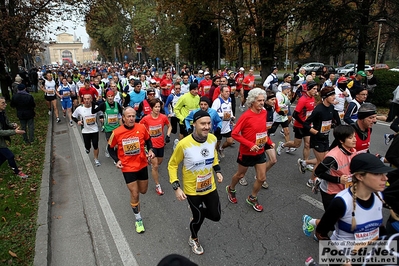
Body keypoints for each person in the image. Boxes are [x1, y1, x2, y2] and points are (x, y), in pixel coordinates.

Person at [314, 153, 394, 262]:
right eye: (378, 174)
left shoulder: (379, 196)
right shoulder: (341, 202)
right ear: (360, 176)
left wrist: (385, 249)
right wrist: (342, 262)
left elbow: (378, 226)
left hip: (369, 257)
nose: (385, 178)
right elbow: (320, 234)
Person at [168, 110, 223, 255]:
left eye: (208, 123)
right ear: (194, 124)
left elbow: (214, 156)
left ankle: (196, 212)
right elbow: (172, 165)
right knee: (197, 218)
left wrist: (217, 170)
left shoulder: (212, 139)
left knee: (216, 216)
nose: (206, 127)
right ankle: (194, 238)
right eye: (202, 123)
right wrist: (176, 187)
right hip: (192, 189)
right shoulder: (183, 144)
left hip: (210, 185)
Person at [302, 125, 357, 237]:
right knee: (334, 221)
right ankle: (313, 225)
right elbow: (318, 172)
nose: (355, 140)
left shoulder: (352, 150)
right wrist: (338, 179)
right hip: (330, 192)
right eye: (351, 138)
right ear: (341, 140)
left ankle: (322, 231)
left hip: (344, 190)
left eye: (354, 136)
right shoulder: (333, 156)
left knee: (342, 218)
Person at [226, 88, 274, 212]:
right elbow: (235, 133)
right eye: (259, 100)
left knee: (262, 178)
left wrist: (269, 142)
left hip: (260, 151)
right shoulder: (246, 116)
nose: (262, 103)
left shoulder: (263, 112)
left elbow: (263, 131)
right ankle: (231, 188)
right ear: (252, 101)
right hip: (246, 152)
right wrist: (249, 144)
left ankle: (253, 197)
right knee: (240, 174)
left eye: (263, 100)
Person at [108, 107, 155, 234]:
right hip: (127, 167)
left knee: (143, 191)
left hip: (142, 164)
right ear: (123, 118)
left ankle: (135, 198)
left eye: (133, 116)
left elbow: (148, 140)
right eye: (128, 116)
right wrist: (117, 160)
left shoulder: (141, 128)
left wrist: (150, 150)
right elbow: (110, 148)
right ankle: (138, 219)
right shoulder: (117, 132)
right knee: (135, 193)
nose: (131, 118)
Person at [302, 86, 341, 192]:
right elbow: (305, 124)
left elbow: (337, 122)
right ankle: (311, 180)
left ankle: (305, 163)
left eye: (334, 95)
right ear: (325, 97)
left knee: (325, 159)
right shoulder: (318, 110)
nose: (334, 97)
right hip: (317, 138)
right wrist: (316, 133)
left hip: (326, 137)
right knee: (321, 161)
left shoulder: (332, 108)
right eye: (332, 95)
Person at [276, 81, 319, 172]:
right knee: (297, 144)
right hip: (299, 125)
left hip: (307, 125)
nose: (316, 91)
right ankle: (282, 144)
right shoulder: (303, 99)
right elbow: (295, 114)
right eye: (314, 89)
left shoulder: (312, 98)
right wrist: (303, 123)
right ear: (309, 89)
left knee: (307, 144)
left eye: (316, 89)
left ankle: (305, 162)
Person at [140, 98, 172, 196]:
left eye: (159, 107)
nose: (158, 109)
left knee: (159, 162)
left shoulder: (163, 117)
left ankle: (150, 162)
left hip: (160, 144)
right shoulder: (146, 118)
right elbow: (139, 127)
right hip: (151, 145)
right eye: (156, 107)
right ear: (151, 108)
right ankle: (158, 186)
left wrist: (168, 136)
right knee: (156, 166)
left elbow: (169, 126)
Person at [0, 97, 29, 178]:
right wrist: (14, 132)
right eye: (3, 103)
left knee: (2, 157)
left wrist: (12, 125)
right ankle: (17, 172)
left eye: (5, 102)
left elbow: (6, 122)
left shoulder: (2, 112)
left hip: (2, 139)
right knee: (10, 156)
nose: (5, 105)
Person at [91, 90, 123, 158]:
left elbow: (122, 114)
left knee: (117, 144)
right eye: (109, 96)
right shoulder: (104, 105)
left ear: (114, 97)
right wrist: (93, 103)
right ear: (107, 97)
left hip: (116, 127)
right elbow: (94, 111)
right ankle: (107, 149)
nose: (110, 98)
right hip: (108, 128)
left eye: (112, 96)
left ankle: (116, 157)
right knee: (111, 143)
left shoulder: (117, 104)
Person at [72, 94, 101, 167]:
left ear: (91, 99)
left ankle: (96, 159)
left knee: (95, 145)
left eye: (88, 99)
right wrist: (78, 121)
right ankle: (87, 148)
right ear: (83, 100)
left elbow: (100, 113)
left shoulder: (95, 107)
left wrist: (101, 118)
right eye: (85, 99)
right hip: (85, 131)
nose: (86, 100)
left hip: (95, 129)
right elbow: (73, 116)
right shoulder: (80, 108)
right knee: (87, 146)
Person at [211, 85, 235, 158]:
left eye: (229, 91)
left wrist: (232, 116)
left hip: (227, 125)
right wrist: (223, 114)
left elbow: (230, 110)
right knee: (217, 143)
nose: (228, 93)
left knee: (230, 141)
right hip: (219, 125)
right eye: (226, 91)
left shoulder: (230, 99)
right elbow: (213, 112)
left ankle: (222, 149)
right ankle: (215, 156)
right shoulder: (217, 101)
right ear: (221, 92)